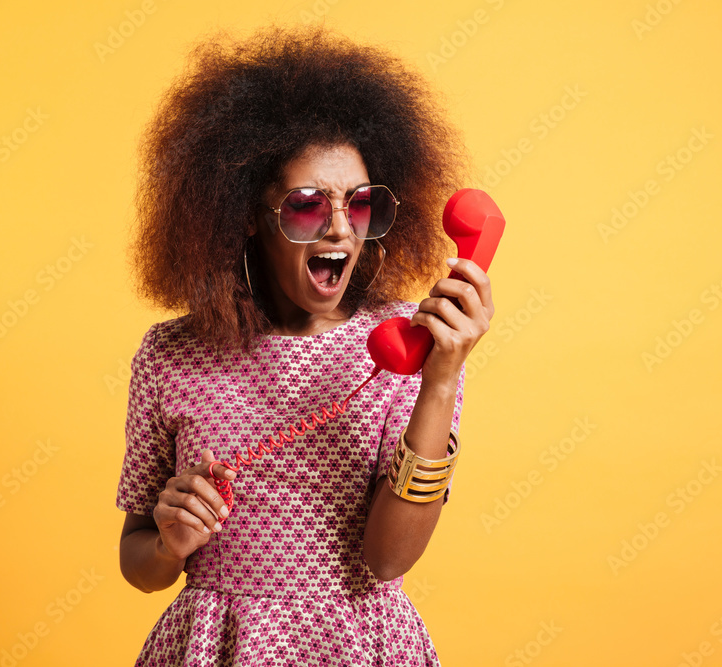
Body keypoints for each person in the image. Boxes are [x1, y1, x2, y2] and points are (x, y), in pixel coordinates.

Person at [116, 24, 495, 666]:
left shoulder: (412, 342)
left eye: (361, 204)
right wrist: (169, 544)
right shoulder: (170, 356)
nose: (342, 230)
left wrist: (440, 378)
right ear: (245, 213)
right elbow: (138, 564)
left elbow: (388, 559)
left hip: (361, 645)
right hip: (218, 648)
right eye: (307, 206)